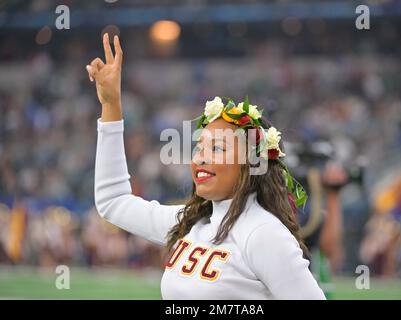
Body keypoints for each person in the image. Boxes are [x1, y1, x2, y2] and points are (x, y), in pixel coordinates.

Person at [87, 33, 325, 299]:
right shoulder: (192, 222)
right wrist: (111, 105)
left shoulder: (264, 234)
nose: (200, 158)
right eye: (200, 147)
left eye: (218, 149)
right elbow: (113, 202)